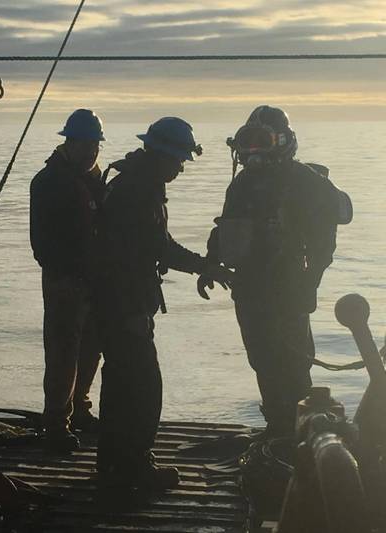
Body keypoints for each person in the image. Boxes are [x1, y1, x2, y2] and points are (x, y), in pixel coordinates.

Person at [95, 117, 234, 489]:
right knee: (143, 388)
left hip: (116, 304)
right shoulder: (137, 194)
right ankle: (133, 466)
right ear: (161, 155)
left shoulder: (136, 186)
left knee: (120, 384)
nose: (181, 167)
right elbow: (135, 255)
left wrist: (205, 266)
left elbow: (157, 246)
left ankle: (112, 463)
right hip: (125, 306)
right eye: (178, 159)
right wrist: (131, 313)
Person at [199, 105, 348, 437]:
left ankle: (297, 432)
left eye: (261, 141)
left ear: (282, 141)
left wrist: (309, 285)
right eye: (247, 141)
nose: (253, 151)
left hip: (289, 286)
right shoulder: (242, 183)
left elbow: (324, 245)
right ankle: (277, 425)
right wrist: (210, 263)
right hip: (250, 287)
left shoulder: (307, 183)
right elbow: (225, 226)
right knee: (262, 357)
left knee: (293, 361)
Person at [30, 109, 105, 452]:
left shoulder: (92, 178)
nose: (92, 152)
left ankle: (79, 409)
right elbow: (42, 243)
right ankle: (56, 422)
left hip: (92, 278)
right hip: (64, 280)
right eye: (86, 145)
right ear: (69, 143)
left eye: (95, 145)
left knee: (90, 346)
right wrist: (71, 269)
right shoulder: (48, 182)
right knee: (63, 352)